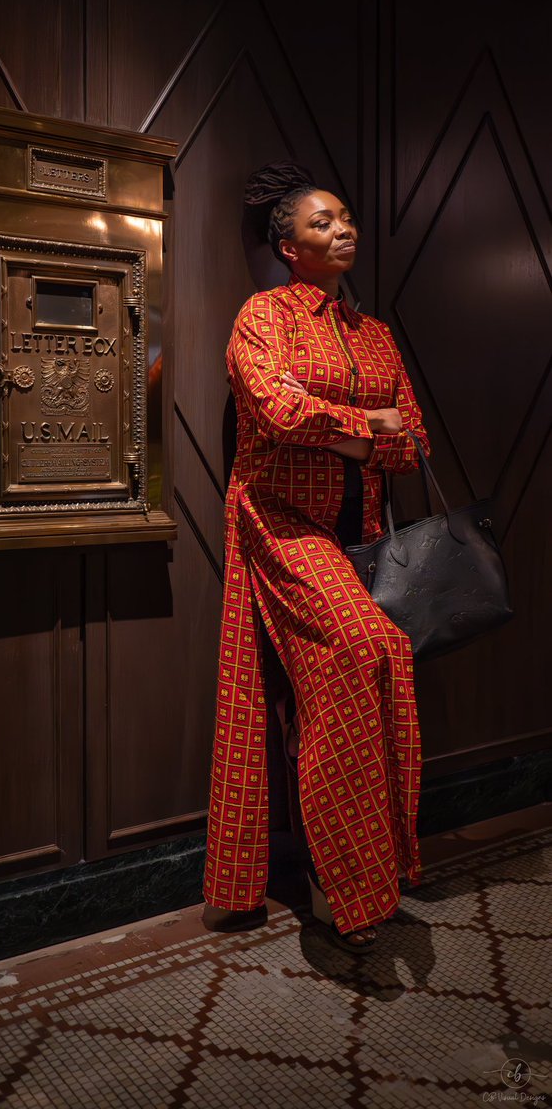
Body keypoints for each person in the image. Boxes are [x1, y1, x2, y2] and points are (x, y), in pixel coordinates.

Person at [202, 161, 430, 952]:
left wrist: (349, 433)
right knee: (365, 646)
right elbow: (274, 409)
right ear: (286, 244)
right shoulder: (263, 317)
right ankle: (347, 886)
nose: (343, 230)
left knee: (383, 658)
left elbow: (416, 442)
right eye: (321, 222)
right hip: (280, 518)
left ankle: (375, 871)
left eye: (346, 218)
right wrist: (368, 428)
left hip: (360, 534)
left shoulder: (375, 333)